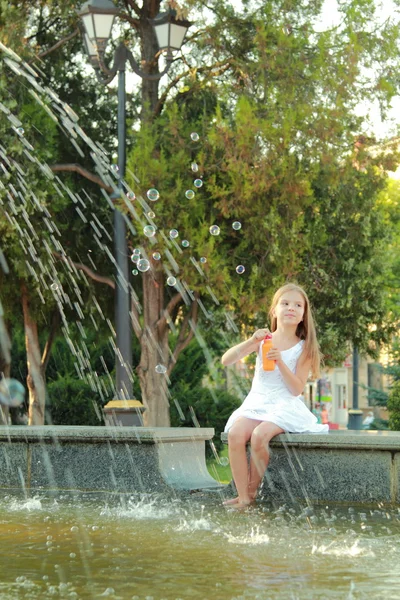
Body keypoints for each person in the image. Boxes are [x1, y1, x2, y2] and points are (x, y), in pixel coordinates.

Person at [221, 283, 329, 508]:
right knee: (236, 434)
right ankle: (242, 496)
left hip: (284, 404)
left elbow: (296, 389)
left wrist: (280, 361)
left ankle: (250, 496)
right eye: (285, 303)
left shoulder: (304, 348)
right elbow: (226, 360)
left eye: (298, 305)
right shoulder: (264, 340)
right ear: (274, 310)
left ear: (303, 315)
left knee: (260, 435)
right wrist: (252, 341)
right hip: (258, 401)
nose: (291, 308)